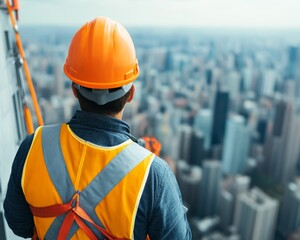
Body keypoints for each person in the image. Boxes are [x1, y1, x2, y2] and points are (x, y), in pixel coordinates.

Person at [4, 16, 191, 239]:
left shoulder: (33, 146)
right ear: (131, 94)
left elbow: (18, 224)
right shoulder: (153, 176)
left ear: (74, 89)